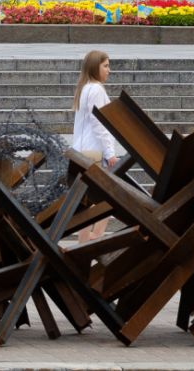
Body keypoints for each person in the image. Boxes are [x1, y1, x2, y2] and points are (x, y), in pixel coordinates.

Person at [71, 49, 119, 242]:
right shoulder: (97, 89)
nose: (109, 70)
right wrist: (110, 153)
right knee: (108, 198)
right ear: (94, 67)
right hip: (94, 152)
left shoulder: (84, 88)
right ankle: (96, 236)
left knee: (87, 201)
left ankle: (84, 241)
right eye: (105, 66)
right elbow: (100, 124)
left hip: (82, 151)